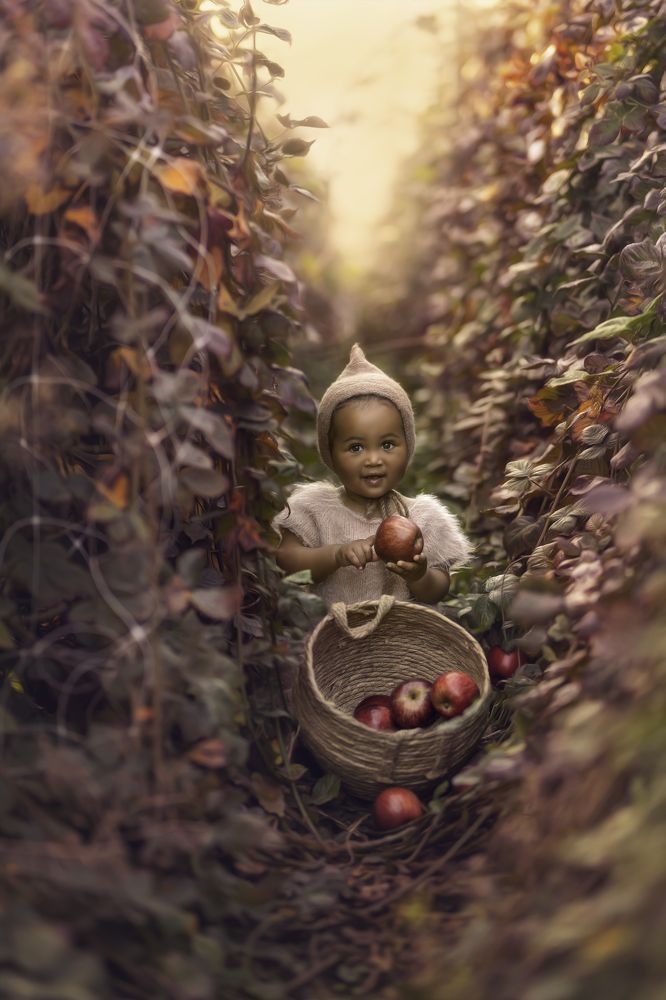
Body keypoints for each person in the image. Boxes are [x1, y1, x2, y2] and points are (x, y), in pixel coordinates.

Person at [272, 343, 472, 608]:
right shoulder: (314, 509)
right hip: (332, 642)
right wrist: (336, 555)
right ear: (331, 454)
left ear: (408, 445)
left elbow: (437, 591)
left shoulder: (423, 517)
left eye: (387, 445)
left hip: (399, 645)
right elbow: (287, 562)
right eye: (356, 448)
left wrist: (419, 575)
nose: (374, 459)